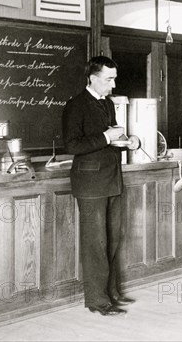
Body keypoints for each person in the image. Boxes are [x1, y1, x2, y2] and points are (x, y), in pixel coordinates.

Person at [63, 56, 140, 316]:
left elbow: (108, 138)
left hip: (111, 179)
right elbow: (72, 145)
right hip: (90, 183)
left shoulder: (107, 103)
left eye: (114, 78)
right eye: (109, 79)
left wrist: (128, 141)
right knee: (95, 242)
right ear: (93, 78)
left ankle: (112, 293)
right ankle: (98, 301)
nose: (113, 83)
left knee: (113, 238)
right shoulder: (76, 105)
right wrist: (108, 136)